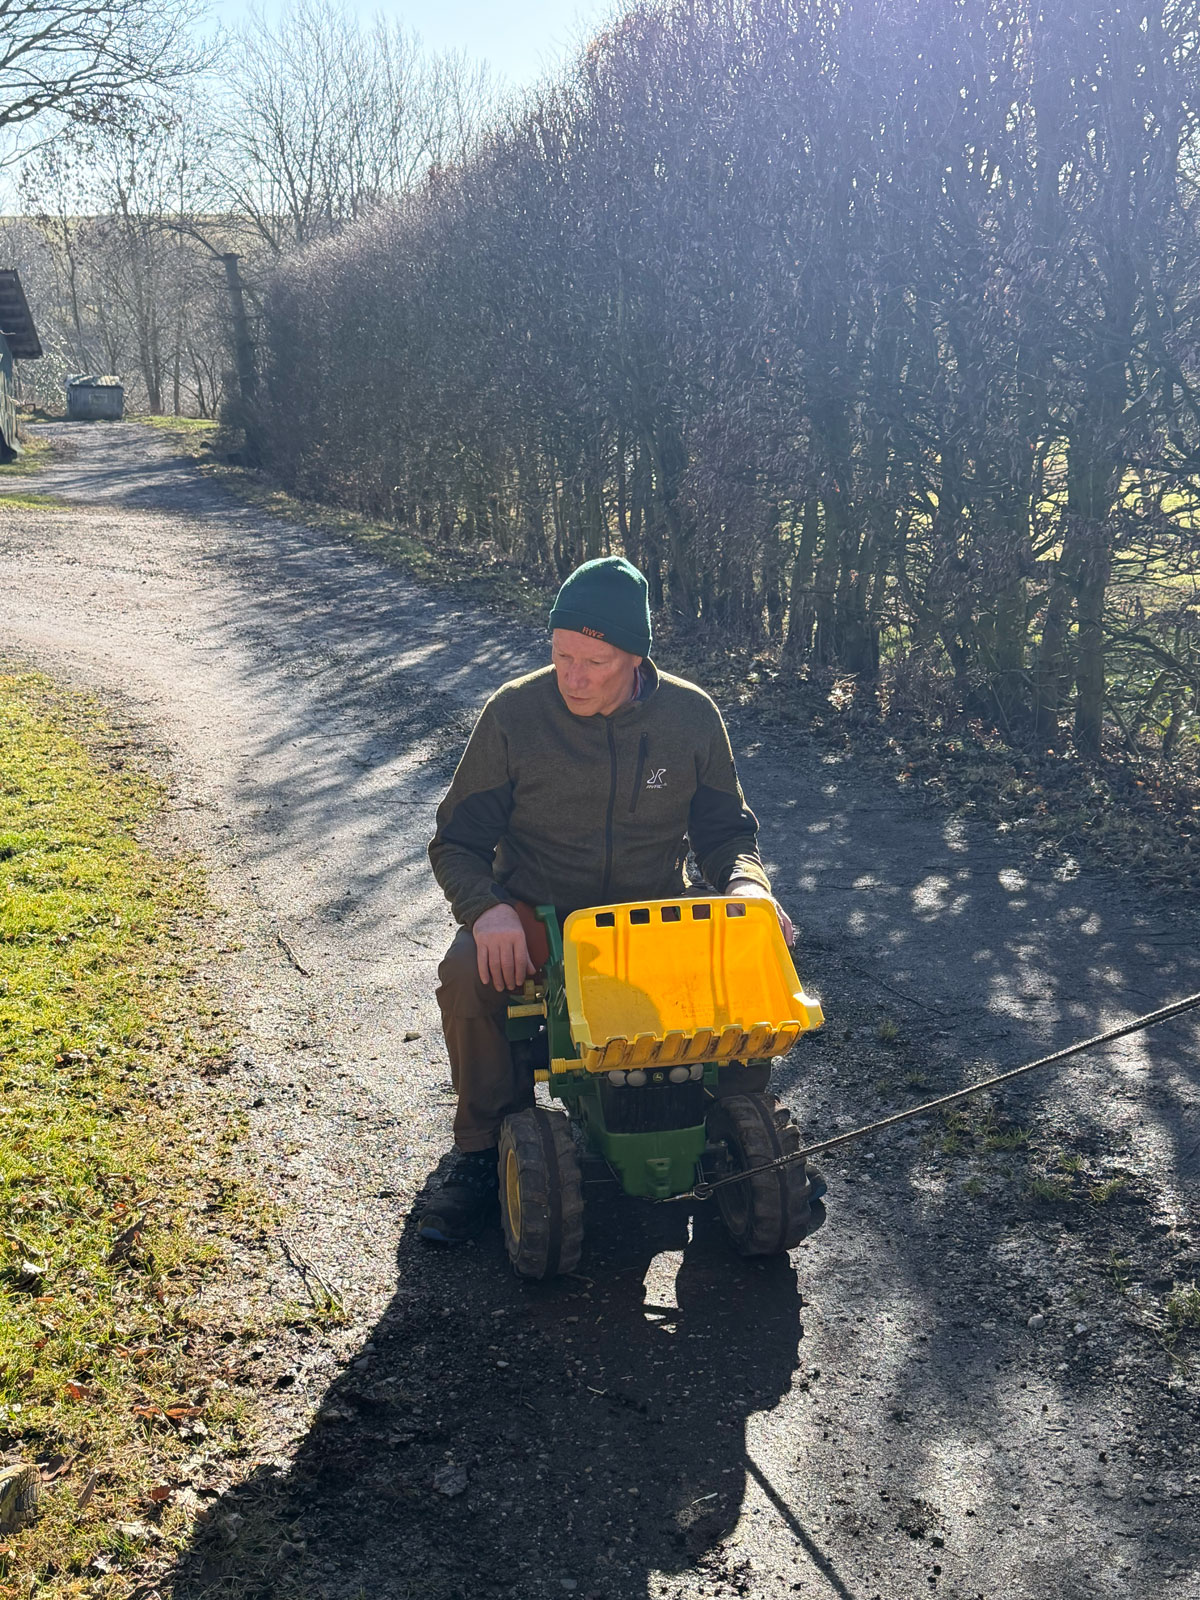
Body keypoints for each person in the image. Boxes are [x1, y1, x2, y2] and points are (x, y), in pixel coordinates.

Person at [419, 555, 795, 1243]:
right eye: (562, 655)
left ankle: (736, 1135)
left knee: (748, 953)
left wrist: (746, 883)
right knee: (464, 973)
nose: (574, 677)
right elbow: (457, 844)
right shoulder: (514, 715)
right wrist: (488, 908)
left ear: (636, 658)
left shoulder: (690, 717)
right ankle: (478, 1149)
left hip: (650, 919)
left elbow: (726, 833)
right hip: (539, 915)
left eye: (595, 661)